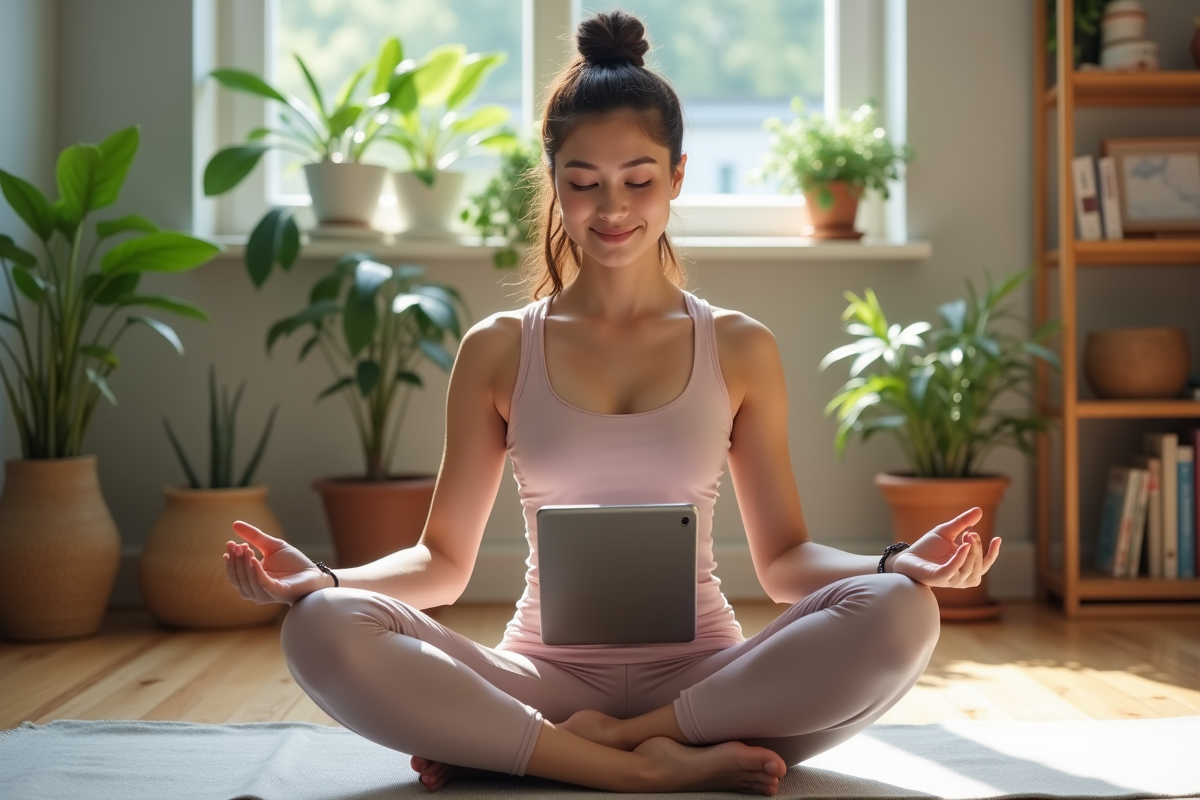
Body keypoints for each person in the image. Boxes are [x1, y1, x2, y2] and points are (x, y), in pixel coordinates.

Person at [222, 9, 1001, 796]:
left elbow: (784, 563)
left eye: (639, 180)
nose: (612, 208)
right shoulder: (499, 347)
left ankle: (589, 747)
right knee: (320, 627)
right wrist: (324, 578)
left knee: (905, 610)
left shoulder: (739, 346)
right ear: (554, 179)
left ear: (678, 177)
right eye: (583, 183)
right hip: (541, 680)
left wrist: (895, 563)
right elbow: (444, 565)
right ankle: (641, 771)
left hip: (711, 682)